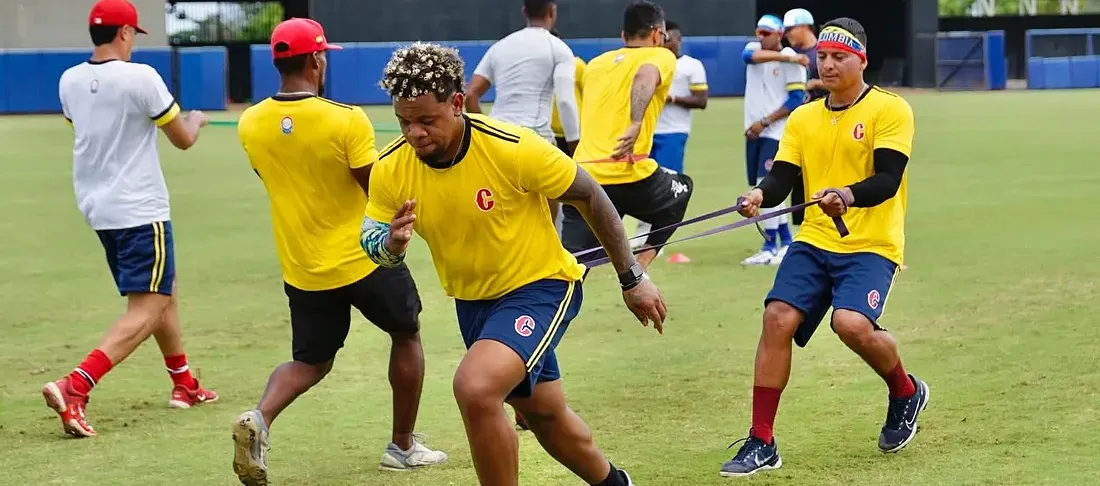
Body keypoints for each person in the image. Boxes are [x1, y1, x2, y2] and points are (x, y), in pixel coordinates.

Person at [365, 41, 665, 486]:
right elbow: (369, 238)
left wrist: (632, 277)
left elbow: (589, 194)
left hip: (541, 287)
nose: (414, 133)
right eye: (404, 121)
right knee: (543, 415)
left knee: (476, 387)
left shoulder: (512, 147)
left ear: (458, 103)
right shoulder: (391, 167)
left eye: (427, 120)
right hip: (474, 303)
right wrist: (389, 243)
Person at [231, 18, 447, 485]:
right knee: (406, 333)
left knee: (311, 361)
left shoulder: (250, 122)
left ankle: (260, 417)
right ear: (316, 59)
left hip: (302, 264)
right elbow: (376, 189)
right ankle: (403, 446)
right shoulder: (345, 118)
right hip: (363, 257)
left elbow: (269, 179)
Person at [720, 18, 928, 477]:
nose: (828, 64)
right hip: (815, 238)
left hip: (871, 242)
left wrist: (847, 195)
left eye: (840, 57)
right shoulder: (803, 117)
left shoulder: (890, 110)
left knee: (851, 325)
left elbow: (888, 179)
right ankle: (762, 441)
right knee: (777, 318)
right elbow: (781, 180)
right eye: (824, 56)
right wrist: (758, 194)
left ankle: (905, 391)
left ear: (861, 61)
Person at [44, 0, 217, 439]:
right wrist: (195, 121)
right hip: (141, 209)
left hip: (98, 208)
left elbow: (85, 127)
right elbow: (181, 139)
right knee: (149, 305)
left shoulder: (70, 80)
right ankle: (76, 385)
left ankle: (184, 384)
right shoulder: (142, 78)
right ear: (124, 33)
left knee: (164, 290)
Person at [565, 0, 694, 273]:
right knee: (682, 189)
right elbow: (645, 76)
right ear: (658, 34)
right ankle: (641, 266)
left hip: (582, 176)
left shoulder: (596, 65)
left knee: (573, 267)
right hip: (629, 175)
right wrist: (636, 122)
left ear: (623, 35)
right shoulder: (661, 56)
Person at [465, 0, 581, 230]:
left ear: (524, 12)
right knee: (549, 217)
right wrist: (576, 147)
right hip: (535, 139)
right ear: (552, 12)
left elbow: (470, 95)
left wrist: (486, 130)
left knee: (503, 214)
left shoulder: (500, 46)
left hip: (497, 142)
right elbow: (566, 101)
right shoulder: (558, 48)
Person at [631, 19, 708, 251]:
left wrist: (673, 98)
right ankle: (641, 234)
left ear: (679, 40)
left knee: (665, 185)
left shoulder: (691, 66)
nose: (667, 44)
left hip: (674, 131)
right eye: (663, 39)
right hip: (648, 131)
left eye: (671, 40)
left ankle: (659, 238)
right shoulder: (650, 64)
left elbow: (701, 100)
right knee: (642, 182)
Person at [739, 14, 808, 266]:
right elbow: (749, 58)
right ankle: (785, 241)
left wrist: (765, 121)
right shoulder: (758, 51)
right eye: (759, 32)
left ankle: (770, 245)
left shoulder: (793, 61)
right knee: (758, 183)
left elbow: (794, 99)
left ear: (779, 34)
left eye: (766, 33)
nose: (760, 37)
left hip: (775, 132)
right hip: (753, 131)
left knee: (763, 185)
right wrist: (786, 57)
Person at [783, 8, 823, 227]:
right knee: (797, 179)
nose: (787, 34)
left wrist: (817, 83)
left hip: (826, 124)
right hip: (801, 127)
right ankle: (801, 231)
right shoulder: (790, 55)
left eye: (791, 29)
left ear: (805, 26)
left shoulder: (823, 53)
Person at [549, 29, 587, 157]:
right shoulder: (539, 67)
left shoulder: (577, 64)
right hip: (550, 132)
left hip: (576, 130)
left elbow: (586, 92)